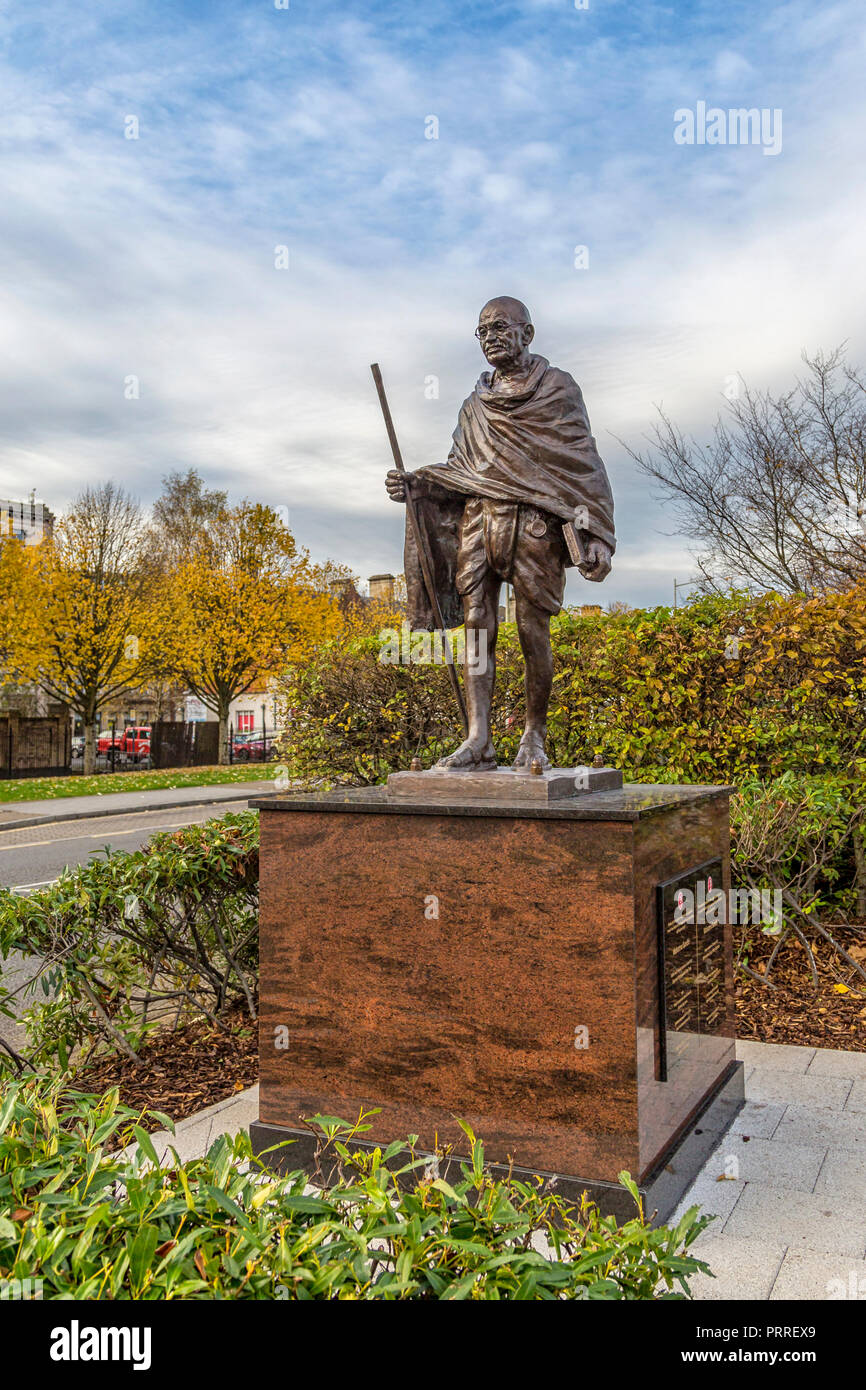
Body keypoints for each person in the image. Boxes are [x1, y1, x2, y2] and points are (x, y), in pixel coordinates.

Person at [386, 296, 615, 770]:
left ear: (527, 333)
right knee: (477, 630)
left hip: (534, 526)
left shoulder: (558, 389)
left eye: (500, 327)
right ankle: (478, 738)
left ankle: (534, 735)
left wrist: (595, 534)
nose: (491, 336)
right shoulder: (473, 406)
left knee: (533, 630)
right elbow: (461, 469)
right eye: (483, 330)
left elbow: (581, 462)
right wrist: (417, 486)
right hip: (478, 522)